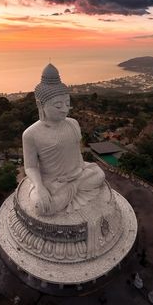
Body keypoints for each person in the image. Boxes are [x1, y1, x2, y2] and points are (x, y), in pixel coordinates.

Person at [23, 64, 105, 216]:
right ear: (40, 104)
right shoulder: (31, 134)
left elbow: (76, 153)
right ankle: (67, 190)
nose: (65, 109)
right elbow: (30, 167)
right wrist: (40, 187)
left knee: (99, 175)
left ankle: (73, 186)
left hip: (79, 174)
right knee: (40, 207)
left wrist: (79, 170)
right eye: (58, 105)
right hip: (53, 181)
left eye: (67, 104)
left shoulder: (73, 123)